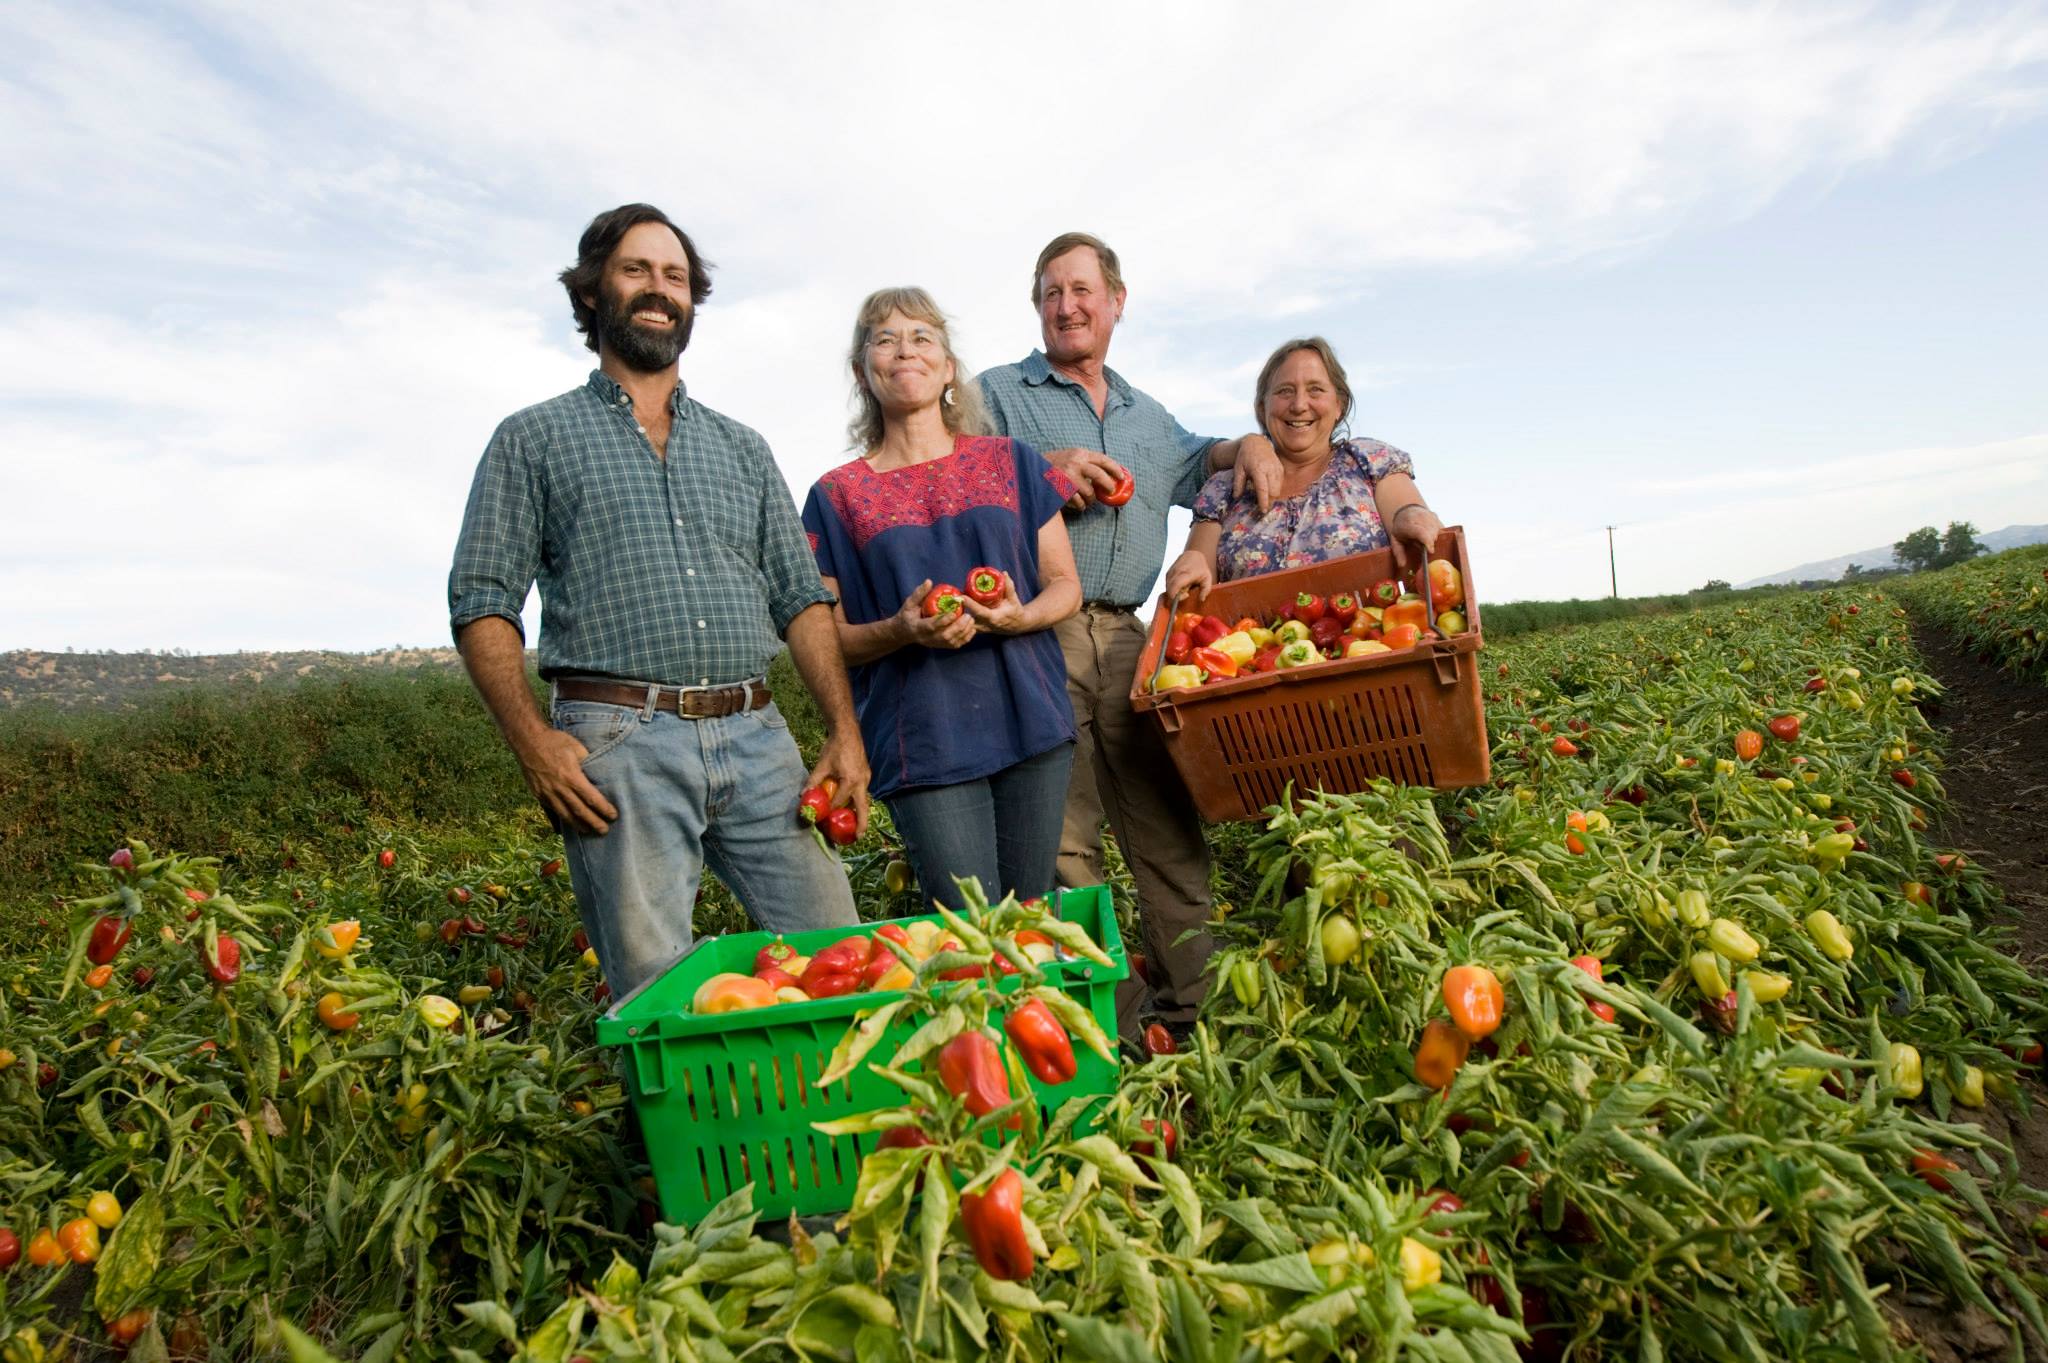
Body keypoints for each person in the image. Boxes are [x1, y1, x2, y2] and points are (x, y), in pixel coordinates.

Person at [447, 203, 866, 1004]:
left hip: (758, 736)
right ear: (592, 293)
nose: (657, 289)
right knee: (656, 993)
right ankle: (685, 1131)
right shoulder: (533, 438)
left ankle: (823, 1129)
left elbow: (801, 600)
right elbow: (482, 601)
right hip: (618, 741)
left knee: (836, 960)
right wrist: (533, 742)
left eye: (674, 276)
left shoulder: (740, 447)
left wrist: (844, 733)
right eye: (636, 270)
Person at [975, 232, 1282, 1031]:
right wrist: (1042, 474)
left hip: (1127, 637)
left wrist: (1248, 442)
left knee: (1165, 821)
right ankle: (1110, 1023)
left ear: (1116, 301)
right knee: (1061, 839)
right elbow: (951, 480)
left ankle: (1199, 1010)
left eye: (1081, 290)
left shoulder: (1147, 415)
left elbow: (1202, 461)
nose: (1066, 305)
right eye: (1051, 292)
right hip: (1033, 633)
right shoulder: (998, 395)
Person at [802, 288, 1081, 913]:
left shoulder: (1012, 462)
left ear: (949, 367)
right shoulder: (834, 496)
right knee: (968, 933)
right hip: (921, 739)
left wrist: (1019, 616)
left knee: (1032, 918)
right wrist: (902, 631)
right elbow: (824, 637)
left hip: (1030, 719)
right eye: (884, 338)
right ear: (861, 371)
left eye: (922, 336)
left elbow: (1065, 585)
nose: (906, 350)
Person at [1164, 337, 1445, 598]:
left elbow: (1410, 519)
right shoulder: (1225, 488)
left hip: (1371, 645)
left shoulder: (1369, 461)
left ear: (1339, 405)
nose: (1299, 405)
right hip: (1257, 650)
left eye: (1315, 390)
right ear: (1262, 409)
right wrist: (1192, 565)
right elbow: (1198, 594)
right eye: (1285, 391)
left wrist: (1414, 515)